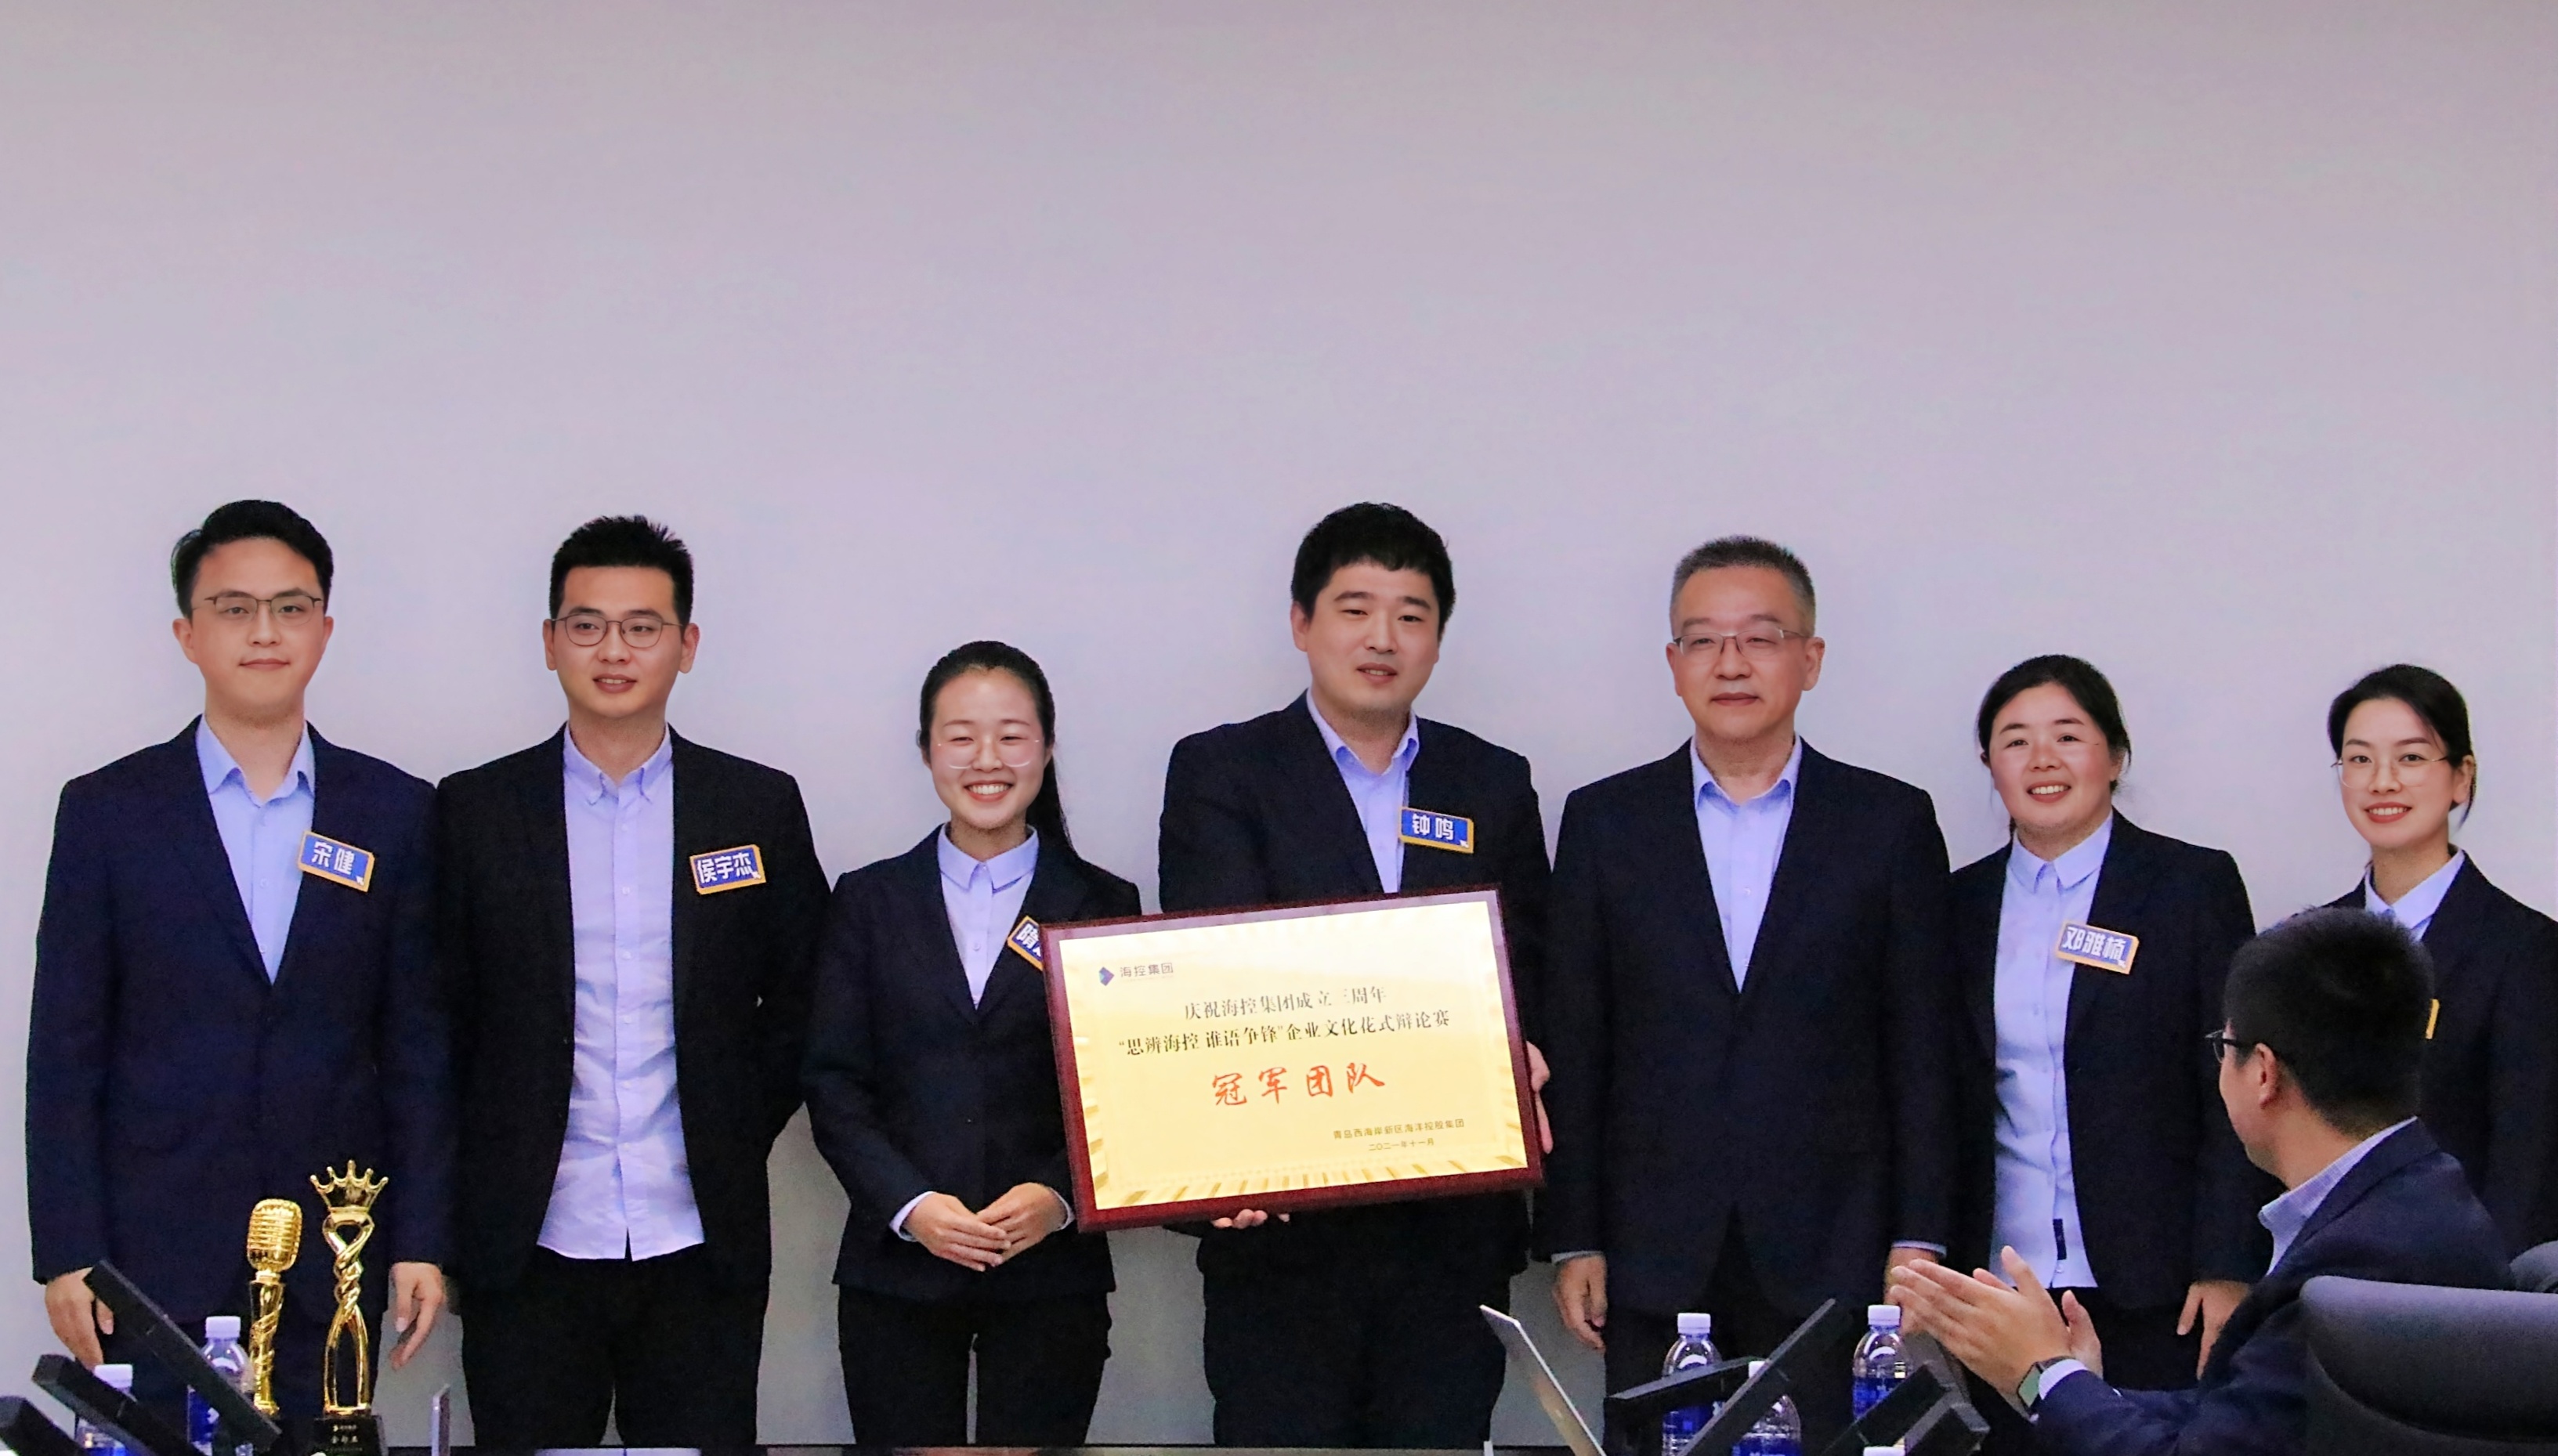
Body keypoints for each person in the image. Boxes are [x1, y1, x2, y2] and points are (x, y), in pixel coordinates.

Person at [27, 500, 451, 1420]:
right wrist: (66, 1248)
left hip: (333, 1251)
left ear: (325, 629)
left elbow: (418, 1047)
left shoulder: (393, 810)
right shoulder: (109, 810)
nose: (265, 632)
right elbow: (65, 1048)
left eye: (291, 607)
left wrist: (421, 1237)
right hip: (149, 1253)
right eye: (234, 608)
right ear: (188, 633)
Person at [1543, 535, 1958, 1449]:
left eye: (1761, 637)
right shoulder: (1605, 821)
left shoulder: (1887, 822)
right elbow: (1578, 1039)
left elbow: (1922, 1044)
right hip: (1652, 1245)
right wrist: (1576, 1234)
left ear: (1810, 658)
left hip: (1835, 1245)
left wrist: (1920, 1233)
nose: (1730, 663)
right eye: (1702, 639)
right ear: (1673, 663)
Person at [1156, 502, 1552, 1448]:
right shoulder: (1222, 770)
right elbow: (1219, 972)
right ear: (1301, 623)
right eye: (1354, 608)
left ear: (1438, 637)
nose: (1383, 638)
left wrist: (1526, 1049)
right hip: (1280, 1230)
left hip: (1449, 1233)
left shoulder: (1490, 780)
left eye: (1411, 614)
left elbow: (1529, 963)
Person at [436, 515, 827, 1447]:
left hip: (698, 1234)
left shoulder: (754, 805)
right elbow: (439, 1015)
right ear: (549, 641)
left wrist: (730, 1118)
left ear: (686, 644)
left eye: (642, 626)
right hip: (528, 1239)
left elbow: (809, 996)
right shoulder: (475, 809)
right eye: (587, 624)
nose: (614, 650)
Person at [1895, 908, 2513, 1456]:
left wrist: (2041, 1375)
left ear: (2263, 1072)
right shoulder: (2411, 1198)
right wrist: (2071, 1381)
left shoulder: (2356, 1262)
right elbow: (2239, 1418)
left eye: (2225, 1045)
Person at [805, 641, 1136, 1444]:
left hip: (1050, 1272)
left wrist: (1058, 1196)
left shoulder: (1102, 901)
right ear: (926, 750)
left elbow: (1127, 1087)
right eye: (961, 736)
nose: (987, 759)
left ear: (1046, 748)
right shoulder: (869, 899)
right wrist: (910, 1205)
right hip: (898, 1270)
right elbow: (833, 1080)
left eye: (1012, 735)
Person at [1948, 656, 2269, 1451]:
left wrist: (2226, 1262)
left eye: (2067, 735)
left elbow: (2231, 1082)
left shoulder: (2188, 885)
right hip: (2004, 1278)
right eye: (2015, 740)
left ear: (2115, 756)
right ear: (1989, 765)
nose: (2042, 759)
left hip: (2158, 1280)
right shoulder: (1956, 903)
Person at [2320, 663, 2558, 1253]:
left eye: (2411, 757)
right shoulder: (2309, 942)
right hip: (2323, 1275)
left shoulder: (2524, 947)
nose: (2382, 781)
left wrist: (2493, 1293)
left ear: (2461, 777)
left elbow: (2526, 1154)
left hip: (2456, 1281)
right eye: (2359, 759)